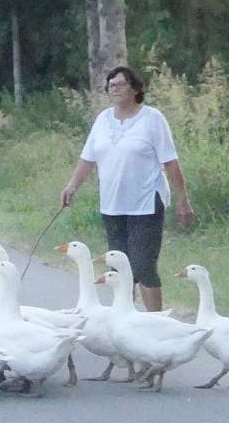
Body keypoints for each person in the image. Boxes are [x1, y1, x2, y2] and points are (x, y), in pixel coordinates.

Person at [60, 65, 195, 311]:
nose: (116, 89)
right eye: (112, 85)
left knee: (143, 265)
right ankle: (125, 324)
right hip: (112, 204)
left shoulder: (152, 118)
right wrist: (71, 186)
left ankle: (156, 325)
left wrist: (183, 200)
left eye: (121, 84)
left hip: (145, 202)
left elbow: (170, 161)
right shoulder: (103, 120)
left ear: (135, 88)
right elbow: (88, 159)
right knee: (118, 266)